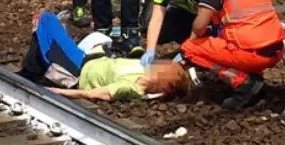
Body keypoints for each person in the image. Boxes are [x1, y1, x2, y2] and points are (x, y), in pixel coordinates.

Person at [176, 0, 285, 110]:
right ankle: (252, 76)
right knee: (227, 37)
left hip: (253, 54)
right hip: (276, 48)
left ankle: (244, 82)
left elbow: (199, 26)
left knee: (190, 49)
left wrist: (195, 41)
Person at [18, 12, 190, 101]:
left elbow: (96, 94)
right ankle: (37, 64)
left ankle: (33, 70)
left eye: (163, 67)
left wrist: (60, 92)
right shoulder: (145, 69)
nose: (159, 64)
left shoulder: (134, 86)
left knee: (44, 23)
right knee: (49, 22)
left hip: (76, 72)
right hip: (87, 59)